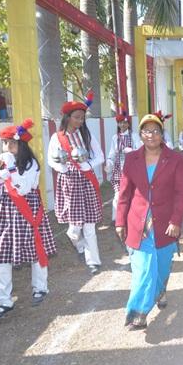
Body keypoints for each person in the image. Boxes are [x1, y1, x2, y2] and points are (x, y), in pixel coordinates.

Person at [115, 113, 183, 330]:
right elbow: (124, 193)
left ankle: (160, 290)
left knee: (162, 267)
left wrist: (176, 221)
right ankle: (137, 313)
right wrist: (120, 221)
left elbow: (181, 193)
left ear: (162, 134)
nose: (151, 135)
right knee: (144, 269)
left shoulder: (175, 159)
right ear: (140, 134)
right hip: (139, 223)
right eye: (146, 131)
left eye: (155, 131)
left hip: (165, 224)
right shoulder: (131, 159)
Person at [0, 119, 56, 321]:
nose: (7, 147)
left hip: (28, 210)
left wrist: (11, 169)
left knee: (35, 251)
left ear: (21, 145)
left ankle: (40, 288)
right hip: (6, 211)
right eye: (5, 143)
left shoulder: (31, 164)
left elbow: (23, 188)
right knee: (1, 255)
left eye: (11, 143)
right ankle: (3, 302)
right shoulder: (4, 164)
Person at [47, 92, 105, 274]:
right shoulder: (57, 137)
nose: (80, 121)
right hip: (69, 185)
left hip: (86, 182)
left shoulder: (86, 135)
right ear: (68, 117)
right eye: (77, 117)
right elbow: (51, 160)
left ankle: (93, 261)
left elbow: (100, 156)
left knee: (89, 225)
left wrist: (88, 165)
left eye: (82, 118)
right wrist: (63, 168)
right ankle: (79, 246)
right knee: (74, 229)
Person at [104, 105, 141, 222]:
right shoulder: (115, 137)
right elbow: (111, 153)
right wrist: (109, 163)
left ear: (128, 124)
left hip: (132, 170)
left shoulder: (134, 136)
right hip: (119, 170)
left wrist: (132, 151)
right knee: (117, 195)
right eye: (120, 123)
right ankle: (116, 218)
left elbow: (140, 151)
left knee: (131, 194)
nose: (123, 125)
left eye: (125, 123)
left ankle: (131, 217)